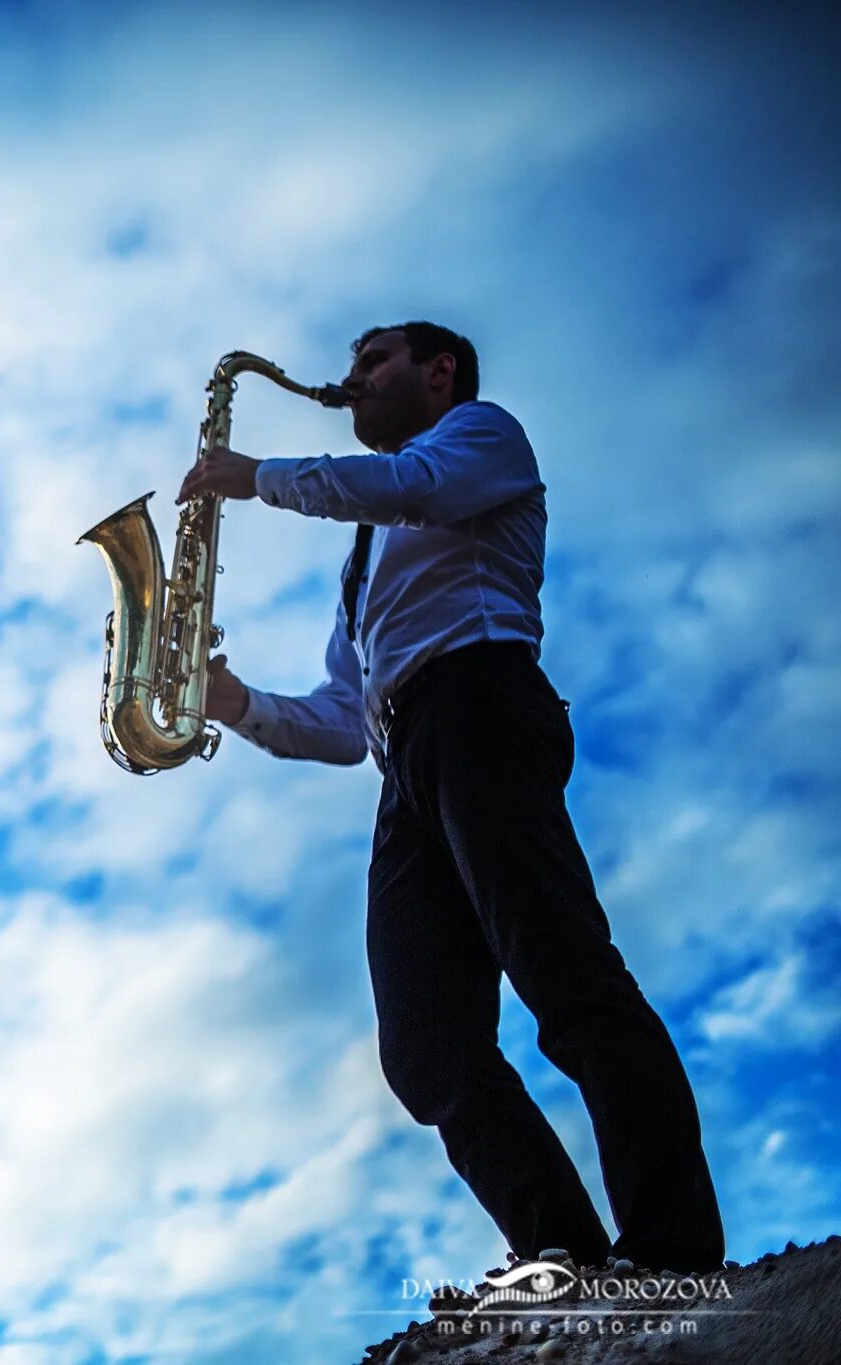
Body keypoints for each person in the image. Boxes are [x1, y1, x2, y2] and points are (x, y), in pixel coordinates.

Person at [172, 322, 726, 1277]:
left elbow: (414, 488)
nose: (349, 384)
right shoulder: (363, 550)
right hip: (405, 762)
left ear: (441, 372)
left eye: (372, 363)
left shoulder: (481, 436)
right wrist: (236, 704)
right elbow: (346, 722)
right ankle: (571, 1260)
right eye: (350, 369)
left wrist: (252, 474)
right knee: (425, 1048)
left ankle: (674, 1248)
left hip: (481, 703)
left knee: (569, 979)